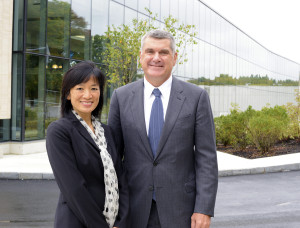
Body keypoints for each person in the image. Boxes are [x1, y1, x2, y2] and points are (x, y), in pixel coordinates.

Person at [108, 30, 218, 228]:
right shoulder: (121, 97)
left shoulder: (196, 97)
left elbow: (207, 158)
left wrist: (203, 208)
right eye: (150, 51)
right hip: (132, 209)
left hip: (181, 211)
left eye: (164, 52)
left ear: (174, 58)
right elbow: (113, 160)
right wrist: (113, 211)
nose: (156, 58)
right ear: (141, 56)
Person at [46, 61, 129, 228]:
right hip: (77, 222)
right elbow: (74, 189)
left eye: (94, 88)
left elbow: (121, 180)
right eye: (80, 88)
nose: (88, 95)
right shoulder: (59, 131)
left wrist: (122, 222)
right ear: (68, 94)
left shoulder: (108, 132)